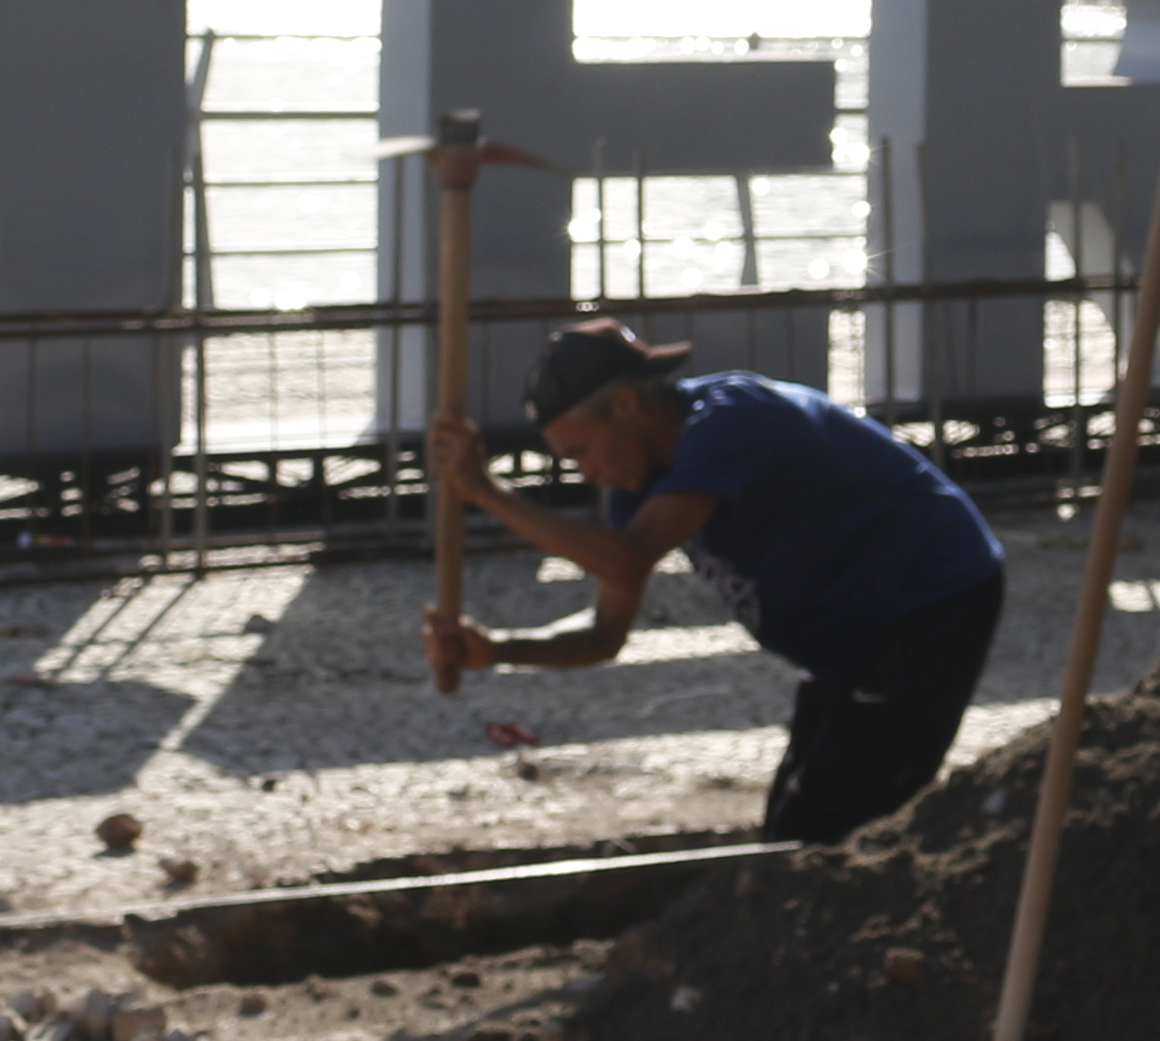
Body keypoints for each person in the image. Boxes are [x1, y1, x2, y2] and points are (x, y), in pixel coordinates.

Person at [422, 320, 1008, 845]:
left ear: (625, 406)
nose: (587, 473)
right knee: (794, 822)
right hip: (848, 639)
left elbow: (625, 561)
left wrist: (487, 493)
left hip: (928, 598)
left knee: (824, 825)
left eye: (579, 452)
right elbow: (604, 634)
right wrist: (497, 648)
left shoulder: (733, 417)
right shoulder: (639, 479)